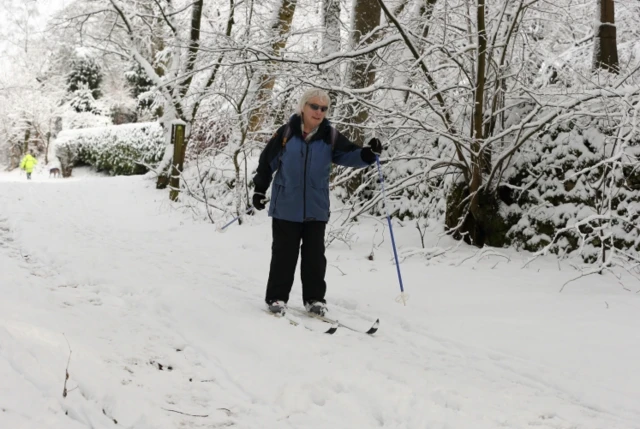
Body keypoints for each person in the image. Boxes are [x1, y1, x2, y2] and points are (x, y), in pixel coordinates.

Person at [252, 88, 383, 316]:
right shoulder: (286, 134)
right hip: (286, 206)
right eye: (314, 106)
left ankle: (314, 300)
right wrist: (259, 190)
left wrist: (368, 154)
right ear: (303, 107)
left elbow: (351, 154)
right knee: (284, 255)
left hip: (316, 207)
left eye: (324, 108)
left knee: (315, 257)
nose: (319, 112)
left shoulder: (329, 136)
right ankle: (276, 297)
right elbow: (266, 163)